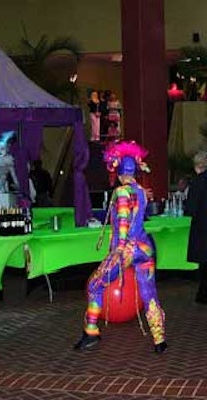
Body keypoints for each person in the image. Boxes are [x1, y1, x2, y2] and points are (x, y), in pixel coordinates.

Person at [74, 141, 167, 353]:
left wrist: (120, 248)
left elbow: (123, 220)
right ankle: (159, 339)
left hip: (126, 249)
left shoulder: (122, 192)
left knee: (94, 285)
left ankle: (91, 332)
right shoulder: (142, 191)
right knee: (149, 293)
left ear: (118, 171)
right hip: (145, 249)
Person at [185, 151, 207, 304]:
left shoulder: (198, 182)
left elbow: (190, 208)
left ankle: (203, 294)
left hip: (202, 227)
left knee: (204, 261)